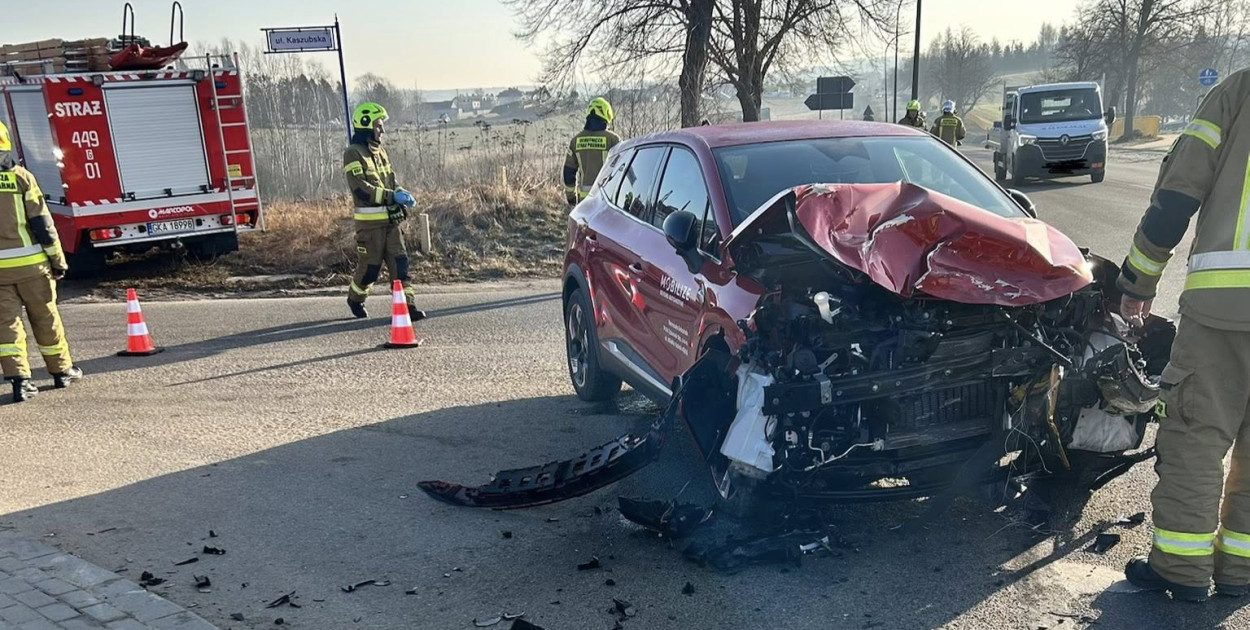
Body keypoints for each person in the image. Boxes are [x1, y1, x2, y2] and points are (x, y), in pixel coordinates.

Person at [1118, 67, 1250, 603]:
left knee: (1196, 434)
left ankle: (1182, 565)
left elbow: (1177, 195)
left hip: (1228, 305)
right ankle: (1241, 570)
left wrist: (1137, 280)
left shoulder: (1238, 93)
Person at [0, 121, 81, 403]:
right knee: (45, 318)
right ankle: (61, 372)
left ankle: (20, 383)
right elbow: (42, 225)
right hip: (33, 267)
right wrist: (58, 260)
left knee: (6, 326)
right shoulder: (22, 178)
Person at [342, 102, 424, 321]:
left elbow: (391, 181)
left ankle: (408, 305)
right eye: (379, 126)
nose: (382, 130)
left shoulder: (381, 153)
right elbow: (361, 189)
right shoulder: (353, 153)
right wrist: (391, 196)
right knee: (369, 269)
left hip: (391, 223)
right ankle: (355, 299)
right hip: (370, 227)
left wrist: (401, 193)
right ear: (366, 125)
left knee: (401, 264)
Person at [563, 97, 621, 206]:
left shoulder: (576, 141)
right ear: (606, 115)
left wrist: (571, 197)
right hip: (608, 200)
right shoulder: (613, 140)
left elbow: (568, 172)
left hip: (584, 202)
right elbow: (624, 168)